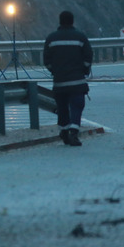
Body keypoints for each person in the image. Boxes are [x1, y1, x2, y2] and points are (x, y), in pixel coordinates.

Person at [43, 11, 93, 146]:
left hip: (59, 82)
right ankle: (74, 132)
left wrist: (54, 70)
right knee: (77, 106)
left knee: (62, 107)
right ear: (72, 21)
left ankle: (64, 131)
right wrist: (83, 69)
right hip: (77, 81)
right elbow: (88, 56)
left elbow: (46, 60)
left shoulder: (51, 39)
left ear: (60, 21)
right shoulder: (80, 37)